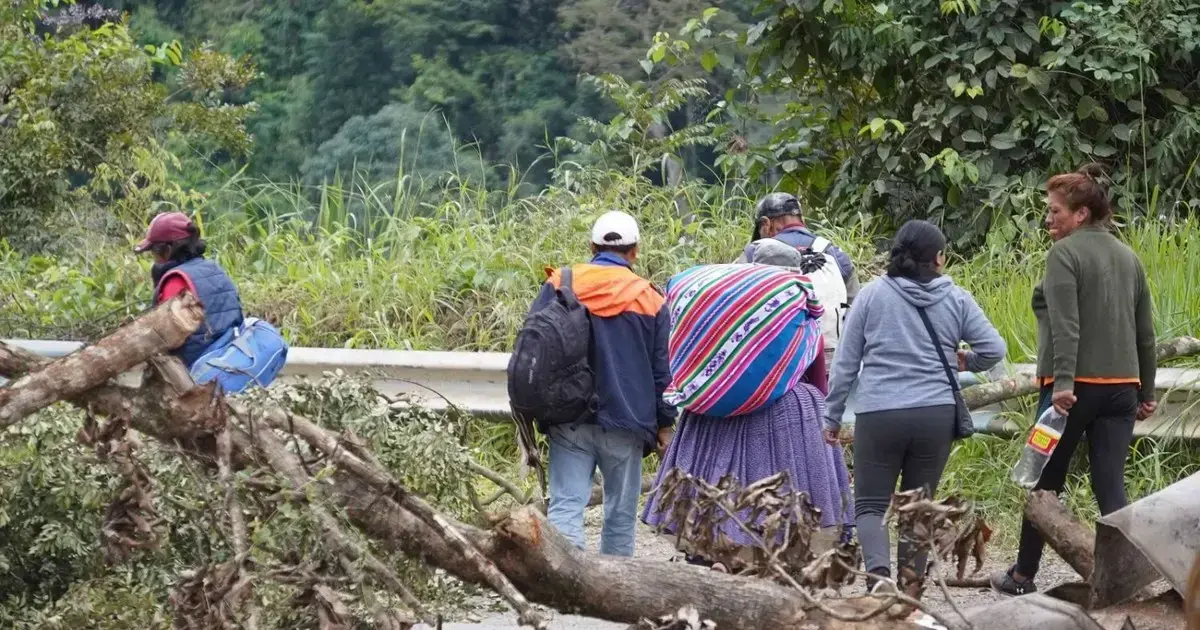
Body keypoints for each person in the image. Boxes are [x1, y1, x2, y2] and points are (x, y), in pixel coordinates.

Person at [991, 165, 1157, 596]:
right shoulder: (1128, 257)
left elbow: (1067, 326)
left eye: (1056, 211)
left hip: (1070, 392)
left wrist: (1062, 385)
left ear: (1081, 214)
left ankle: (1023, 575)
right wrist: (1148, 391)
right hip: (1122, 390)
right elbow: (1145, 334)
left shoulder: (1063, 255)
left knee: (1043, 481)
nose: (1049, 218)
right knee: (1110, 485)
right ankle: (1130, 580)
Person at [823, 220, 1006, 593]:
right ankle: (910, 587)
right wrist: (965, 362)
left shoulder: (872, 296)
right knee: (919, 505)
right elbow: (994, 350)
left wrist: (832, 415)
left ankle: (878, 579)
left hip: (879, 413)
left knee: (871, 504)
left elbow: (845, 362)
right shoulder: (956, 298)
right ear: (938, 258)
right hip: (934, 414)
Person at [642, 253, 854, 572]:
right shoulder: (797, 303)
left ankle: (711, 553)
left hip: (711, 408)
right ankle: (771, 559)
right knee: (778, 490)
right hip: (786, 412)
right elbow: (817, 373)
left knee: (717, 482)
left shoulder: (725, 306)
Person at [532, 211, 676, 557]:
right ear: (635, 251)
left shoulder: (559, 285)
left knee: (566, 505)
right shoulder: (650, 299)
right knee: (620, 516)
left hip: (569, 418)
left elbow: (533, 348)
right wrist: (665, 424)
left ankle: (566, 586)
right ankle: (614, 592)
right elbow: (662, 372)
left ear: (591, 247)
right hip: (628, 423)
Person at [135, 211, 244, 369]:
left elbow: (164, 338)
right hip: (230, 356)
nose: (154, 258)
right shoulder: (214, 268)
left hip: (196, 367)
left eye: (154, 251)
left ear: (168, 249)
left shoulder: (176, 281)